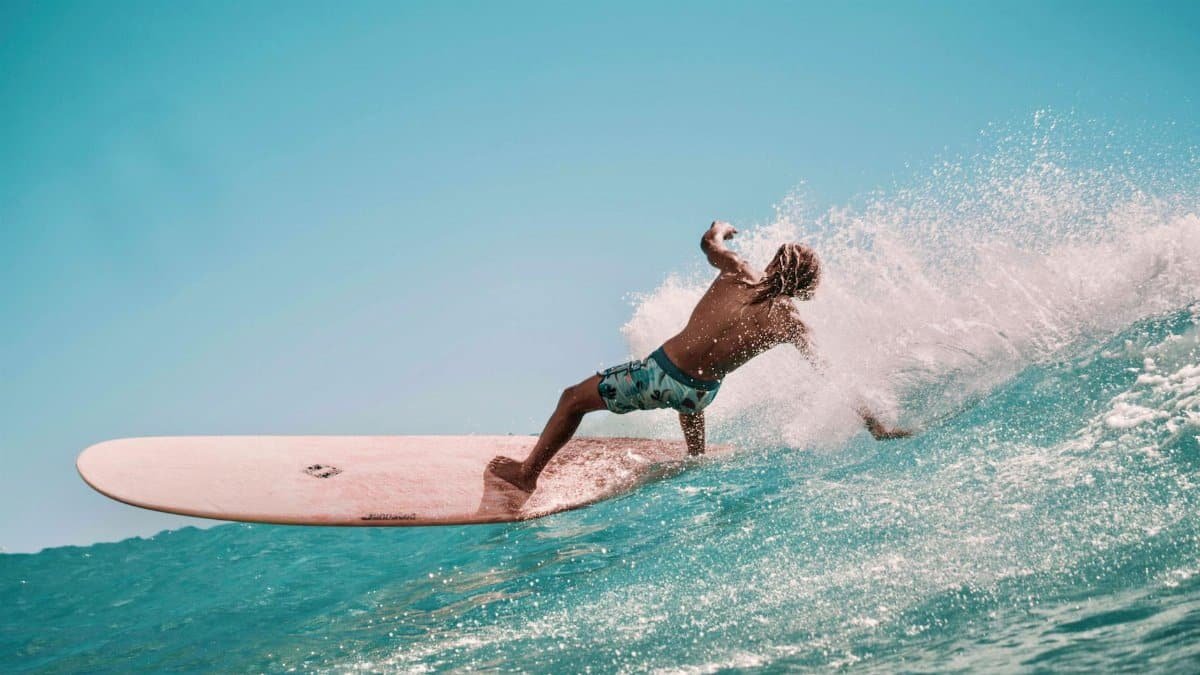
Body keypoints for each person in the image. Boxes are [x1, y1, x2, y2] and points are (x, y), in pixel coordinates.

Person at [485, 221, 910, 507]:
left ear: (773, 263)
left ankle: (527, 475)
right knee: (689, 402)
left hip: (657, 376)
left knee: (571, 400)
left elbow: (709, 244)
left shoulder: (738, 272)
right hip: (700, 393)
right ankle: (696, 459)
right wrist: (875, 424)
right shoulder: (791, 323)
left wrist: (720, 227)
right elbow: (831, 373)